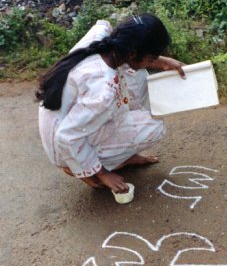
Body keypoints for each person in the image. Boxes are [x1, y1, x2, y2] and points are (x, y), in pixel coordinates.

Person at [37, 13, 185, 193]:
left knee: (137, 75)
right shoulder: (103, 92)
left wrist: (161, 62)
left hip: (64, 118)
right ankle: (84, 167)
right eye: (151, 58)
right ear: (132, 53)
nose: (152, 62)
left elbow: (133, 63)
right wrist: (102, 173)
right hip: (63, 145)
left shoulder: (105, 39)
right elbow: (67, 137)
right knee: (154, 126)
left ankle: (119, 156)